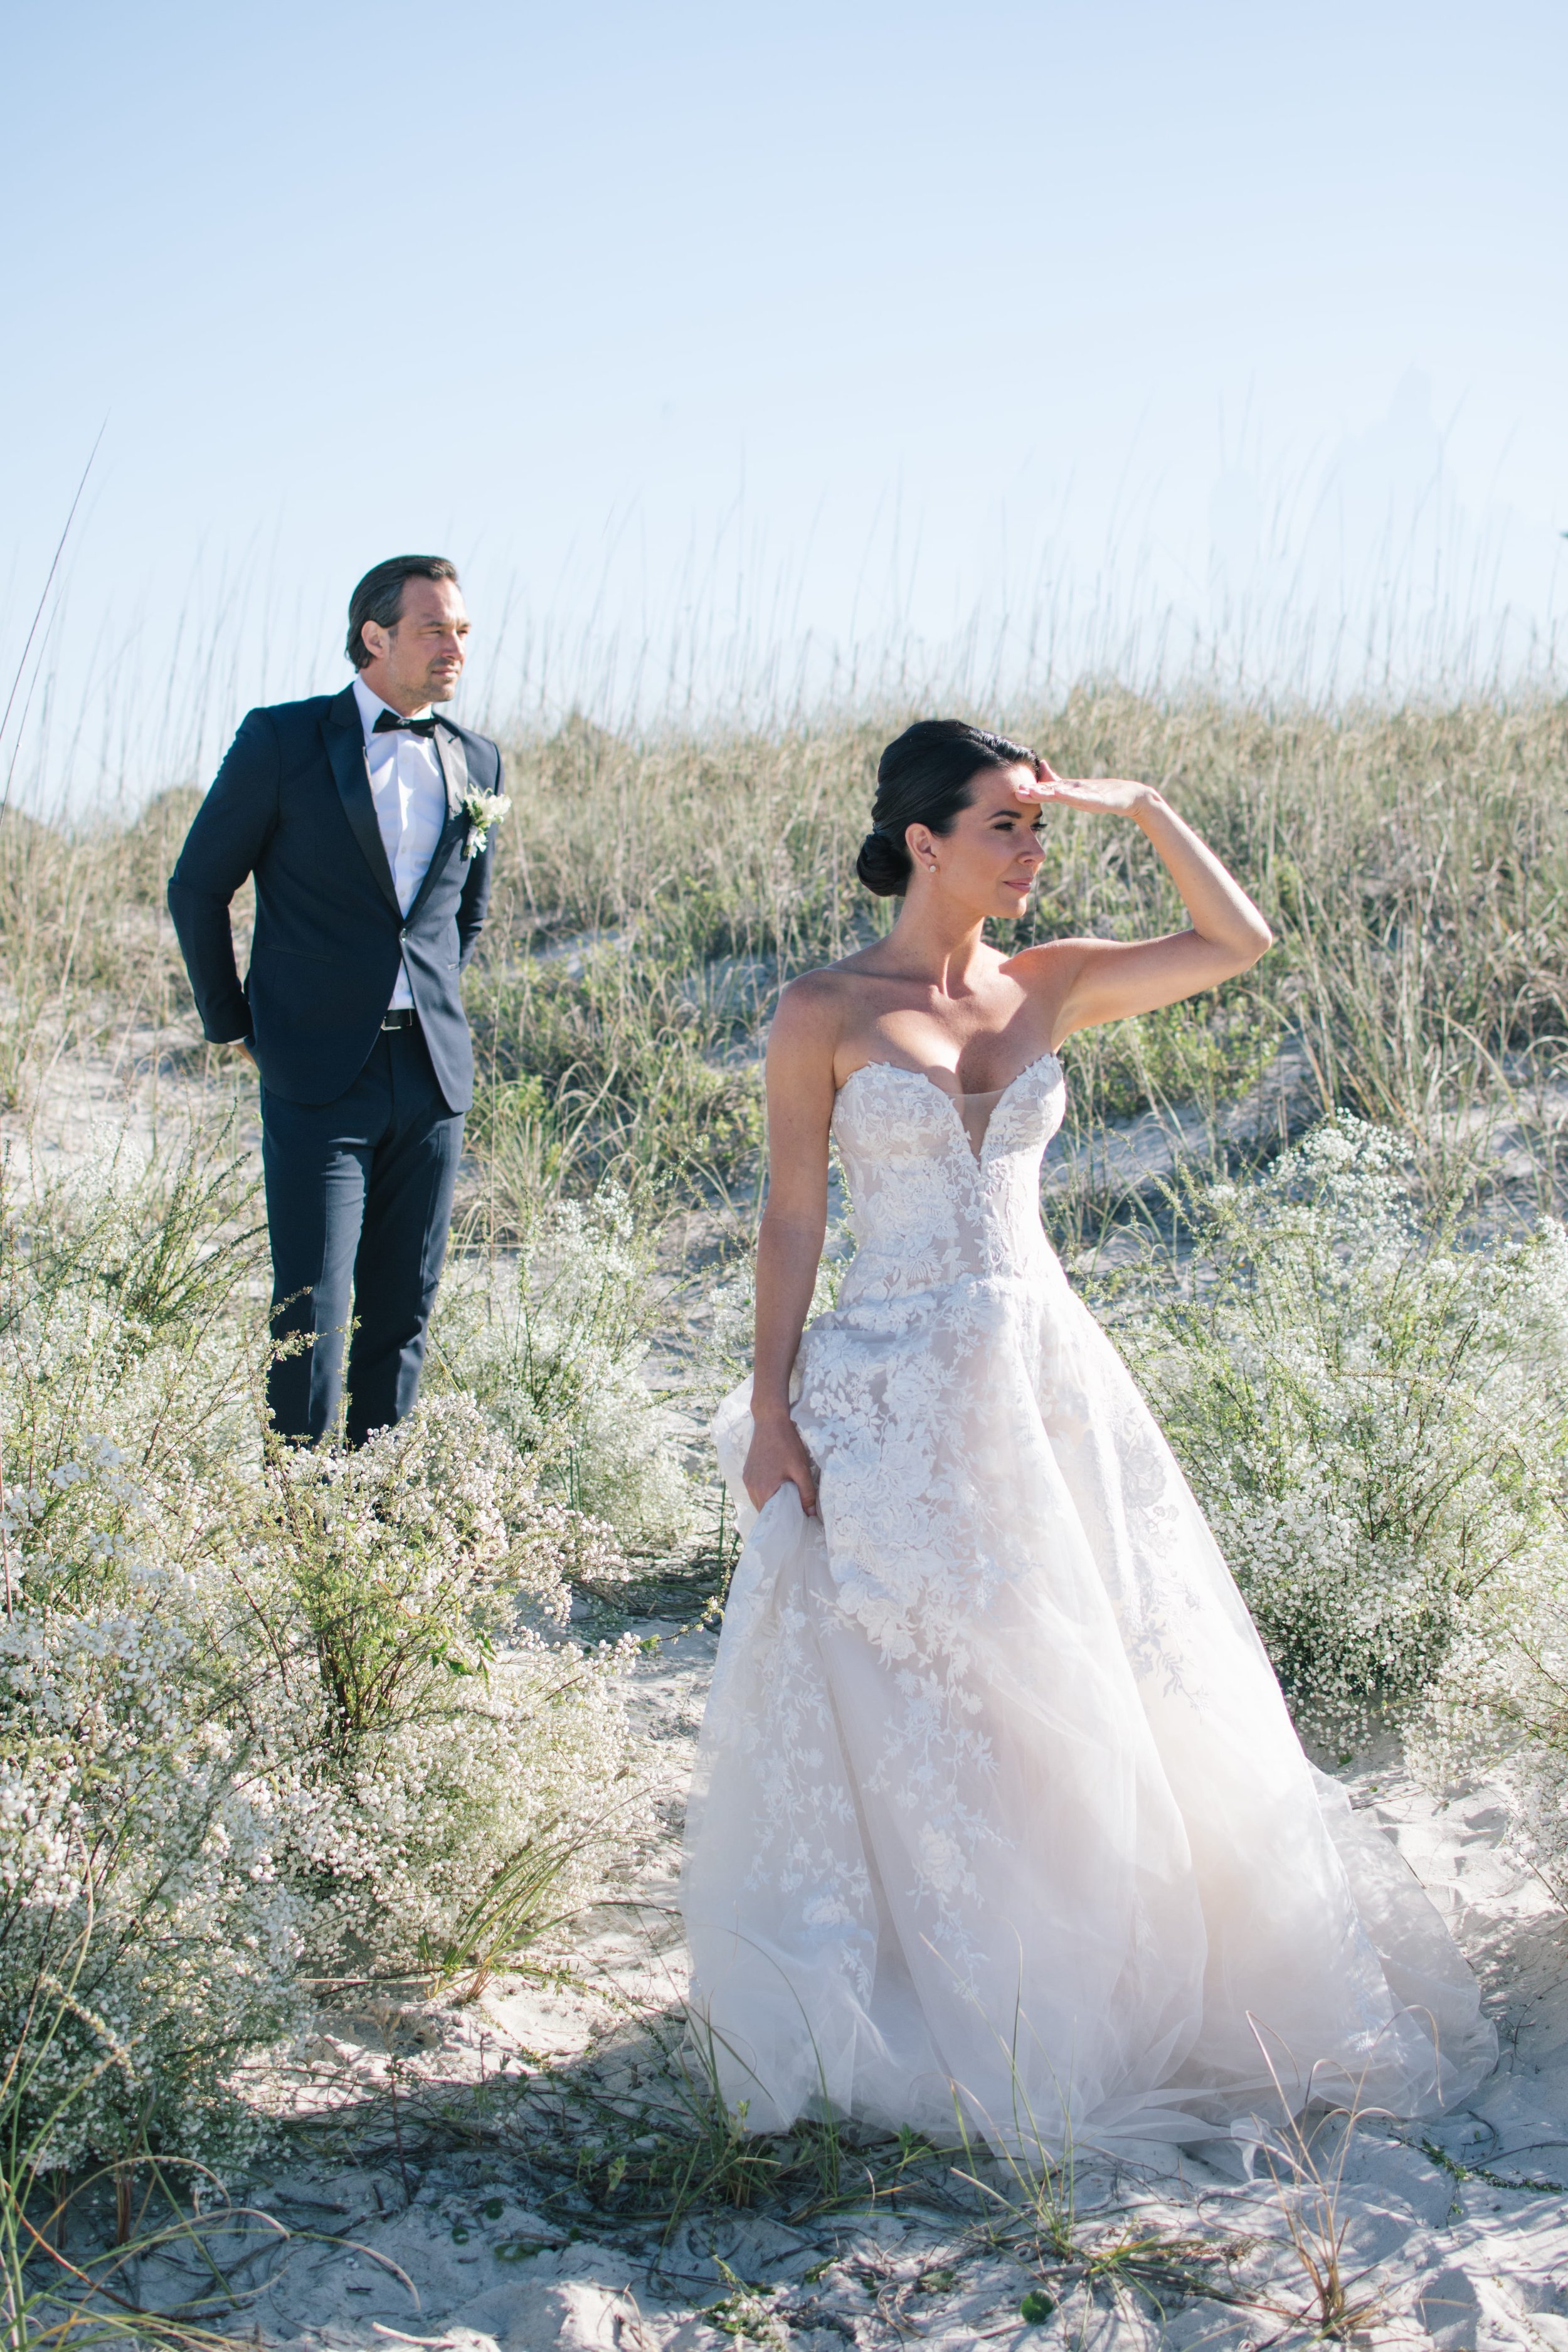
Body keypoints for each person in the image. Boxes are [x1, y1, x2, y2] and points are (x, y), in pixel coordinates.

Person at [681, 718, 1493, 2156]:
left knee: (1101, 1660)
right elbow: (791, 1218)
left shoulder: (1046, 985)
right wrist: (767, 1406)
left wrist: (1140, 803)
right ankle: (959, 1987)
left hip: (1047, 1379)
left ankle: (1108, 1976)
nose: (1029, 848)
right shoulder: (822, 1009)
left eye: (1036, 824)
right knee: (947, 1690)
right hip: (891, 1392)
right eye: (1004, 823)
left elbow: (1232, 940)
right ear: (920, 839)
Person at [167, 555, 505, 1446]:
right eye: (435, 627)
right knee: (312, 1304)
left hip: (430, 1073)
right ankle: (301, 1524)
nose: (455, 647)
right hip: (317, 1068)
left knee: (406, 1304)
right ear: (375, 636)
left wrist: (430, 1001)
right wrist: (234, 1023)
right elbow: (198, 886)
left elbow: (463, 915)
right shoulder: (282, 741)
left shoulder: (479, 760)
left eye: (462, 630)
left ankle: (377, 1522)